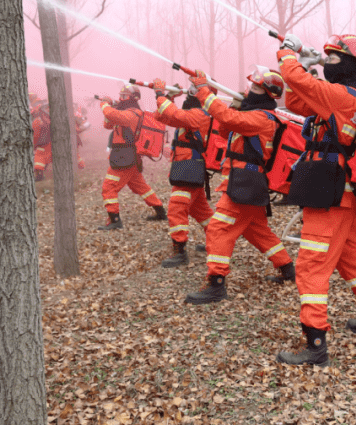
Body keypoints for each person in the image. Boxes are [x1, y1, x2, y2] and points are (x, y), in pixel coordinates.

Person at [276, 34, 356, 368]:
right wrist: (306, 67)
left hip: (330, 192)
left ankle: (315, 344)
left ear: (353, 65)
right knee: (351, 261)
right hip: (337, 192)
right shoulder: (341, 97)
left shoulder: (342, 96)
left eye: (335, 59)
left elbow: (295, 78)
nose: (330, 64)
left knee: (311, 267)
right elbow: (297, 102)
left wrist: (288, 55)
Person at [182, 67, 296, 304]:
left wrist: (205, 92)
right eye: (250, 87)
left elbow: (228, 119)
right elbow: (225, 129)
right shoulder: (252, 115)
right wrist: (236, 105)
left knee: (217, 229)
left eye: (255, 88)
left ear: (268, 94)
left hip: (246, 184)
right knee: (257, 231)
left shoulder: (261, 118)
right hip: (245, 183)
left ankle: (216, 283)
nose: (249, 91)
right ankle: (288, 269)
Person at [150, 80, 216, 268]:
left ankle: (180, 251)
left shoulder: (200, 115)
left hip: (189, 169)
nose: (190, 93)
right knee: (202, 212)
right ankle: (217, 241)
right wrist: (168, 98)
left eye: (194, 91)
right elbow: (160, 116)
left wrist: (160, 95)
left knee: (176, 210)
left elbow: (173, 113)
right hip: (186, 168)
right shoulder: (189, 114)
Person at [96, 83, 167, 230]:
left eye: (125, 96)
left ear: (133, 98)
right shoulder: (124, 113)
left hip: (125, 158)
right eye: (120, 96)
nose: (122, 99)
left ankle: (115, 220)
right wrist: (112, 108)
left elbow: (111, 115)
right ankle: (160, 211)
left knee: (108, 188)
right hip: (127, 157)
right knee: (141, 187)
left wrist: (105, 105)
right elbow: (107, 124)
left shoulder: (133, 113)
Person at [30, 92, 52, 181]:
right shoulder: (45, 118)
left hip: (43, 142)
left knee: (39, 158)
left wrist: (34, 145)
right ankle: (40, 174)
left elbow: (36, 135)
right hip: (48, 141)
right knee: (43, 158)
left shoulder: (37, 121)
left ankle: (39, 176)